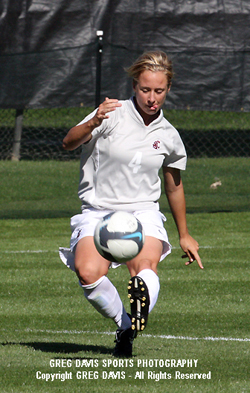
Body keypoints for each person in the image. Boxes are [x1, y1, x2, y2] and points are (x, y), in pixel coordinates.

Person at [59, 50, 203, 358]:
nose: (152, 97)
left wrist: (185, 233)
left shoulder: (168, 135)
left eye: (159, 91)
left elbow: (173, 186)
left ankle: (139, 308)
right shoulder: (109, 113)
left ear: (168, 89)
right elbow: (69, 142)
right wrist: (93, 121)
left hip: (142, 213)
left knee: (144, 268)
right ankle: (125, 325)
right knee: (87, 272)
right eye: (145, 89)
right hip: (99, 212)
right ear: (134, 85)